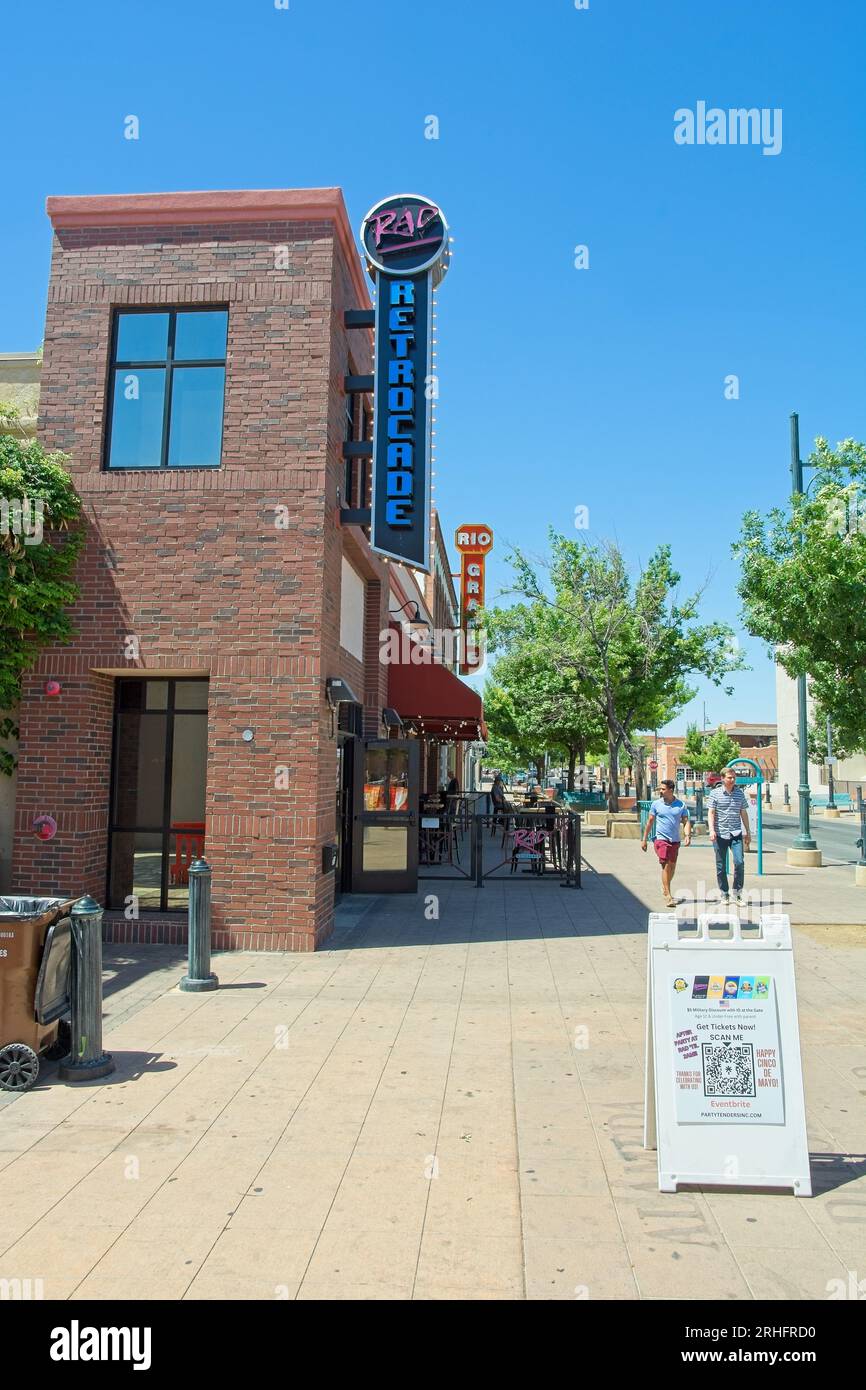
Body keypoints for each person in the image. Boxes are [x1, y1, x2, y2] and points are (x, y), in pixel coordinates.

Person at [640, 778, 691, 908]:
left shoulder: (681, 805)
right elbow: (650, 822)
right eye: (660, 789)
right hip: (661, 839)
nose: (660, 791)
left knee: (672, 866)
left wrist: (687, 835)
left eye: (663, 789)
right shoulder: (656, 804)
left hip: (675, 840)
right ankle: (668, 895)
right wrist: (644, 839)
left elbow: (685, 821)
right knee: (666, 865)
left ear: (670, 790)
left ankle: (665, 886)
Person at [708, 766, 751, 905]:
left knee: (739, 862)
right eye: (729, 777)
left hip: (736, 833)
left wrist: (747, 832)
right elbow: (711, 812)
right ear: (722, 778)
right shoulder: (715, 793)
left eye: (734, 778)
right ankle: (724, 893)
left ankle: (737, 894)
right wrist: (712, 830)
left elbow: (743, 812)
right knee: (720, 865)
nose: (732, 780)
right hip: (720, 833)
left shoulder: (739, 793)